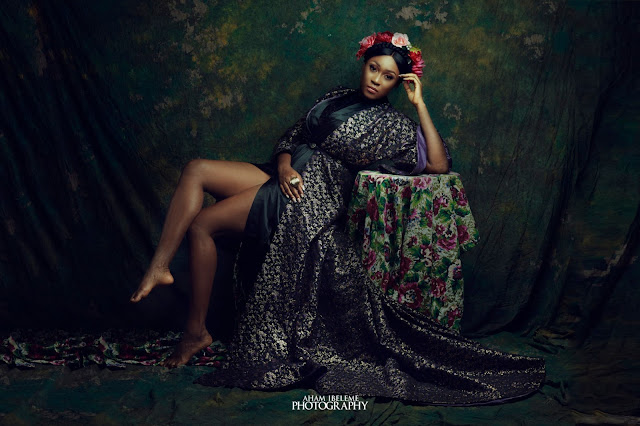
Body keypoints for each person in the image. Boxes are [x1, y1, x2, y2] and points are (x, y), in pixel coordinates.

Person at [131, 31, 545, 405]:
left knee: (203, 224)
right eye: (373, 68)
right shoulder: (336, 96)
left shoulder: (394, 126)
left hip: (314, 193)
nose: (376, 80)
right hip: (288, 174)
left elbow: (438, 165)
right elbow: (293, 136)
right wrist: (284, 167)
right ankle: (160, 266)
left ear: (398, 83)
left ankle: (195, 333)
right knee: (196, 169)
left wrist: (419, 105)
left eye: (388, 77)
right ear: (364, 63)